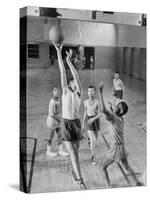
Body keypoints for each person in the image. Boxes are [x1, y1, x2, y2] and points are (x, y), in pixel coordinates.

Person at [53, 43, 86, 190]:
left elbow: (77, 77)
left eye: (73, 80)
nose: (72, 81)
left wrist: (70, 63)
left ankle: (74, 172)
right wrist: (59, 54)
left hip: (76, 123)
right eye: (71, 80)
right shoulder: (65, 90)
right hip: (66, 123)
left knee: (76, 151)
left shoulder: (79, 92)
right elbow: (61, 71)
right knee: (73, 153)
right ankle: (80, 180)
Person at [98, 82, 143, 188]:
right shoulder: (121, 118)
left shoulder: (114, 118)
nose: (116, 104)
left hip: (116, 149)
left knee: (102, 167)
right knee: (127, 167)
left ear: (120, 110)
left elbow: (103, 110)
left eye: (118, 105)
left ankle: (108, 187)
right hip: (121, 147)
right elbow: (112, 111)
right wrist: (112, 107)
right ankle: (137, 182)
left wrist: (101, 92)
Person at [46, 86, 69, 157]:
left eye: (58, 91)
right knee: (50, 136)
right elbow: (51, 114)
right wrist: (58, 120)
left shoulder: (58, 98)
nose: (57, 92)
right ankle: (48, 151)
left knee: (59, 135)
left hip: (57, 120)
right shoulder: (52, 102)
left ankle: (60, 150)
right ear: (53, 92)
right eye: (55, 91)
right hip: (52, 121)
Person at [82, 86, 101, 165]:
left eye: (92, 91)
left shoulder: (97, 102)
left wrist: (94, 118)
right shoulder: (85, 102)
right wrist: (83, 124)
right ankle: (93, 157)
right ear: (87, 92)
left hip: (96, 121)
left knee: (94, 140)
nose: (90, 93)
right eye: (89, 91)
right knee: (94, 140)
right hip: (89, 122)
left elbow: (100, 114)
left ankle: (90, 141)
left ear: (94, 92)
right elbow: (85, 113)